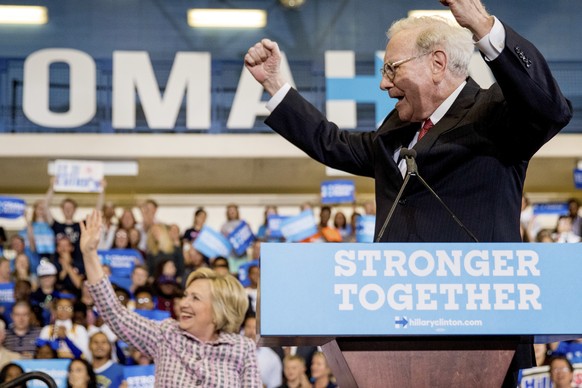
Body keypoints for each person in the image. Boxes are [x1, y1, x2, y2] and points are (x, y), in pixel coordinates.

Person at [245, 0, 572, 386]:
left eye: (391, 69)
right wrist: (274, 85)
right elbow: (330, 143)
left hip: (481, 333)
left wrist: (482, 26)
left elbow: (550, 109)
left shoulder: (495, 116)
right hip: (392, 336)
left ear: (436, 63)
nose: (383, 84)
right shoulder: (394, 134)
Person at [80, 210, 261, 386]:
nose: (184, 304)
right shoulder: (166, 335)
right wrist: (89, 254)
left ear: (218, 310)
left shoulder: (242, 348)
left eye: (195, 298)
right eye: (185, 296)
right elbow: (115, 314)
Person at [243, 313, 283, 388]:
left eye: (255, 328)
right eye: (248, 327)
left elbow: (275, 385)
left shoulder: (272, 358)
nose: (251, 331)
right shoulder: (233, 351)